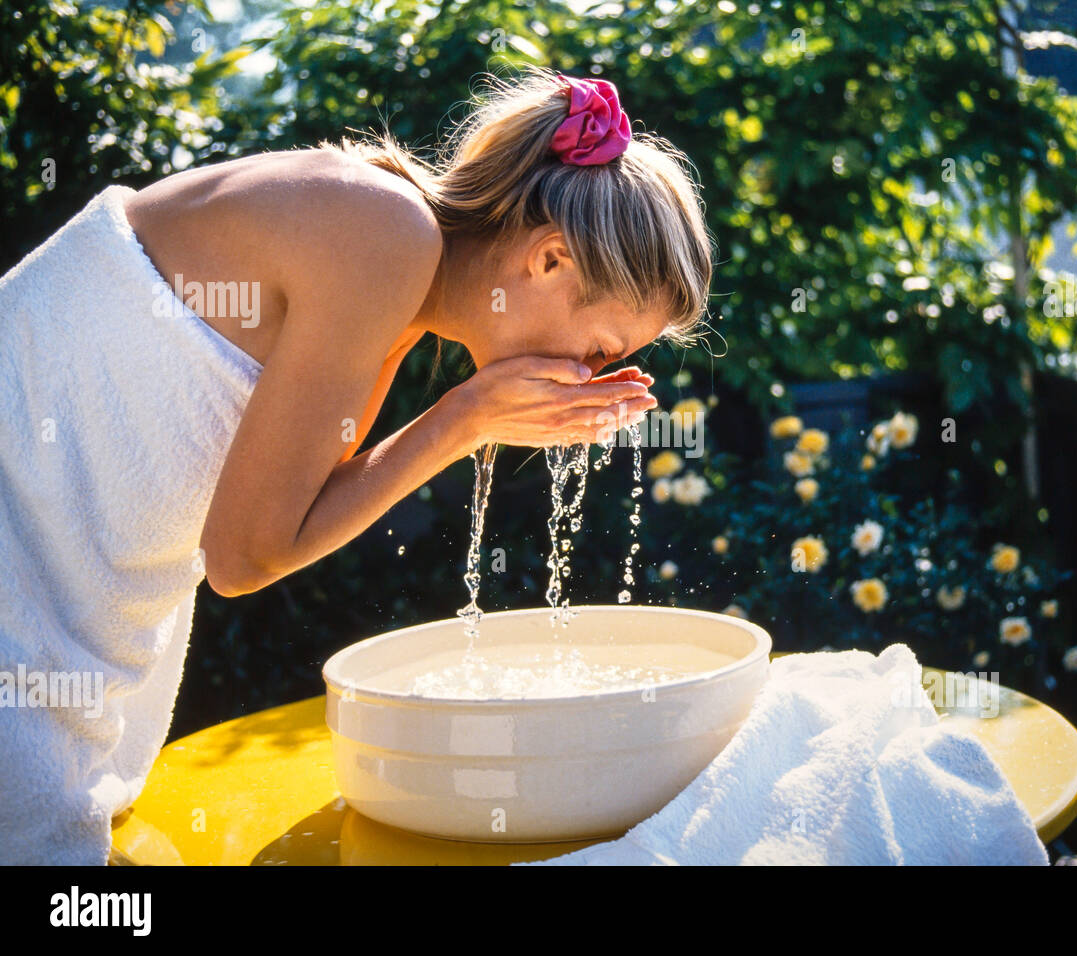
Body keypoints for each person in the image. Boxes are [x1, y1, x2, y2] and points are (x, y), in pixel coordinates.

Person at [0, 66, 713, 864]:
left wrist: (468, 420)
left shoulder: (396, 265)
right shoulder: (381, 232)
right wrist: (464, 419)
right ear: (549, 261)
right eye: (602, 349)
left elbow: (283, 511)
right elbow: (243, 556)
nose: (587, 375)